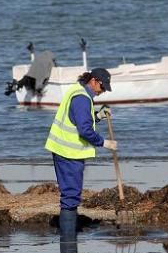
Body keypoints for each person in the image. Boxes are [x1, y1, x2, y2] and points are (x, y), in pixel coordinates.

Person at [44, 68, 118, 236]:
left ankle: (68, 233)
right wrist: (104, 142)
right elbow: (84, 130)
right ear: (93, 81)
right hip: (69, 154)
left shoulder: (76, 91)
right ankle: (69, 239)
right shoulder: (82, 98)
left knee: (69, 194)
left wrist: (98, 116)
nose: (103, 91)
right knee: (71, 196)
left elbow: (80, 118)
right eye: (102, 86)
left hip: (63, 151)